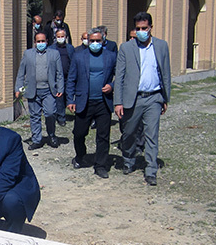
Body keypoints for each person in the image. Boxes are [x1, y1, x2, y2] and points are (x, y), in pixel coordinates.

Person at [114, 12, 171, 186]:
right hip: (133, 99)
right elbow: (119, 76)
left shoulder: (161, 46)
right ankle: (129, 159)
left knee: (151, 134)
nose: (141, 32)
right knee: (129, 133)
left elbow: (165, 73)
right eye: (138, 29)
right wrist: (118, 102)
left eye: (144, 28)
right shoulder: (126, 48)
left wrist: (165, 98)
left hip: (154, 97)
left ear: (150, 28)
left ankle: (151, 169)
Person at [66, 27, 117, 178]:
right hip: (84, 102)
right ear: (88, 41)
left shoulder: (111, 56)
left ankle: (100, 165)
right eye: (92, 40)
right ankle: (80, 156)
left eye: (98, 40)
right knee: (79, 133)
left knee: (103, 136)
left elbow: (120, 76)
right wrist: (70, 99)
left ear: (103, 41)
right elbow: (71, 79)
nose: (95, 43)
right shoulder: (79, 57)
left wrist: (112, 86)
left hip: (103, 102)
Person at [15, 32, 63, 149]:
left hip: (49, 90)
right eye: (38, 41)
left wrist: (60, 87)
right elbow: (21, 72)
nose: (41, 43)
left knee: (50, 113)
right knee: (34, 116)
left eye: (43, 41)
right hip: (33, 90)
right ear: (35, 42)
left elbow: (59, 73)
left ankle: (51, 135)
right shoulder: (28, 54)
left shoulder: (54, 54)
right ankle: (36, 139)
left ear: (47, 41)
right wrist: (18, 88)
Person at [49, 29, 75, 127]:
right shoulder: (51, 48)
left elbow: (73, 61)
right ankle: (61, 117)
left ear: (66, 37)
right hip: (57, 77)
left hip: (68, 76)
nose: (60, 38)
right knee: (59, 97)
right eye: (58, 36)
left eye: (62, 36)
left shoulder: (70, 48)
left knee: (68, 95)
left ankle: (70, 109)